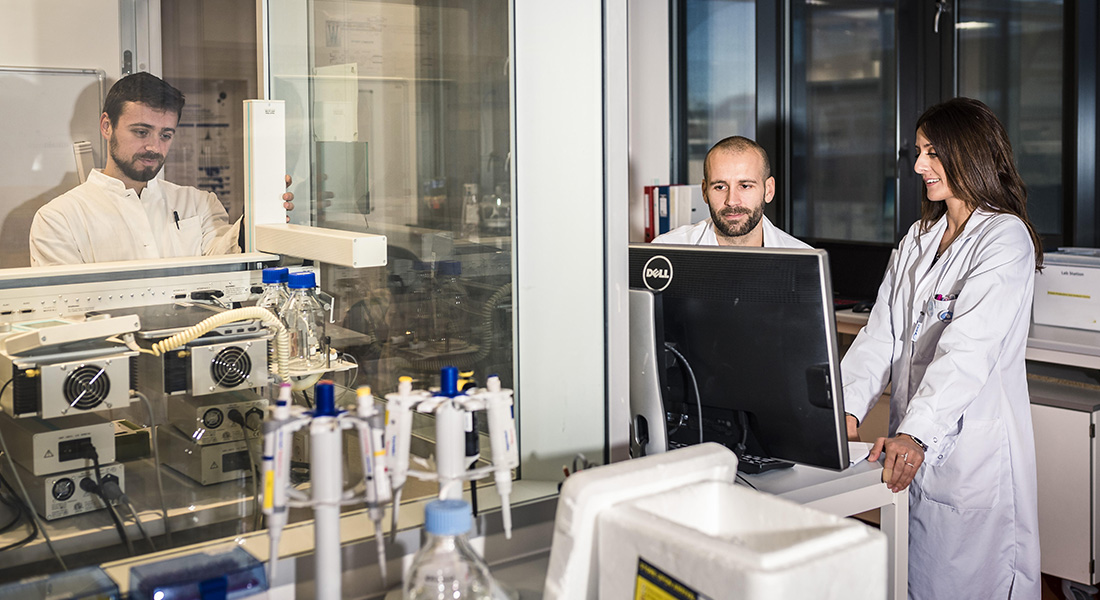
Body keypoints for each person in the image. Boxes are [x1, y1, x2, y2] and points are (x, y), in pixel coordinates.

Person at [840, 98, 1042, 599]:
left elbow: (967, 352)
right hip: (914, 444)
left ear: (968, 153)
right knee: (915, 581)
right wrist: (842, 409)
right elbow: (880, 335)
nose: (917, 165)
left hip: (970, 454)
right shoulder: (920, 236)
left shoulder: (1004, 239)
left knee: (966, 584)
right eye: (917, 151)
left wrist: (916, 434)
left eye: (931, 152)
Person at [28, 72, 293, 266]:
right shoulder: (58, 219)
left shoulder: (198, 203)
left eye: (166, 135)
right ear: (106, 126)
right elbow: (68, 316)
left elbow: (224, 265)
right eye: (142, 132)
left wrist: (256, 220)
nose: (154, 147)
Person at [652, 135, 809, 249]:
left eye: (745, 186)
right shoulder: (667, 250)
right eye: (720, 187)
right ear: (705, 191)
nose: (732, 201)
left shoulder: (805, 261)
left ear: (769, 190)